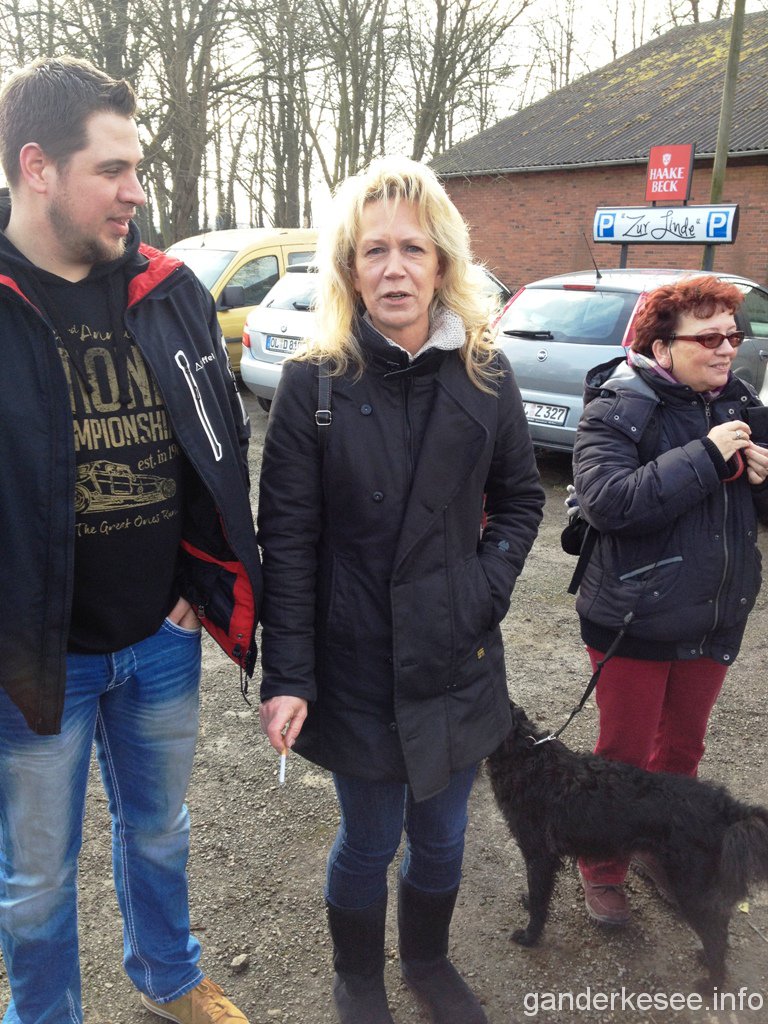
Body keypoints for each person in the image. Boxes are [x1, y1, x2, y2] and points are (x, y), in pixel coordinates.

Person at [0, 57, 261, 1024]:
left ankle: (168, 974)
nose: (135, 192)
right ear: (37, 167)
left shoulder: (168, 289)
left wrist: (201, 575)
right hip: (34, 660)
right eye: (112, 169)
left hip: (160, 637)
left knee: (160, 831)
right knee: (36, 875)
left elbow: (219, 438)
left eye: (137, 168)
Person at [257, 156, 544, 1024]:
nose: (393, 269)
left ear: (442, 262)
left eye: (412, 249)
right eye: (373, 251)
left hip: (457, 656)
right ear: (349, 269)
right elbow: (289, 543)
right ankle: (358, 977)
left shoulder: (487, 374)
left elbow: (523, 499)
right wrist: (288, 675)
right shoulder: (313, 383)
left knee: (445, 836)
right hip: (357, 662)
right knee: (370, 838)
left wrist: (483, 588)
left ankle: (427, 958)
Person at [571, 274, 768, 926]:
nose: (726, 349)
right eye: (708, 338)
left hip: (713, 618)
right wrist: (706, 455)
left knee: (681, 753)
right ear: (662, 348)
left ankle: (659, 851)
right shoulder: (617, 406)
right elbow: (609, 502)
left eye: (732, 336)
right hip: (635, 617)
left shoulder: (741, 403)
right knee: (623, 758)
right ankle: (602, 867)